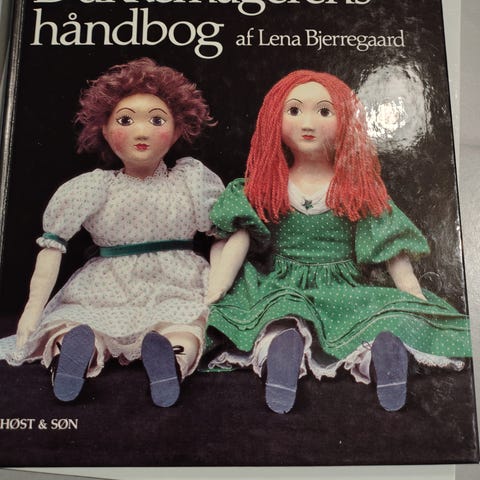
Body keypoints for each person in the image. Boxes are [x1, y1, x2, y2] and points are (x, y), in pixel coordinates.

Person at [205, 70, 472, 414]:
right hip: (283, 285)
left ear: (346, 120)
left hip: (345, 288)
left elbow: (390, 246)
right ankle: (281, 356)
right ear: (273, 119)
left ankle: (383, 359)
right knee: (280, 314)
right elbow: (240, 238)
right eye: (294, 110)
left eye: (324, 111)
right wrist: (217, 288)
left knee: (380, 318)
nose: (308, 123)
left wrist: (413, 295)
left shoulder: (355, 188)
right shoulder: (267, 186)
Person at [0, 58, 224, 406]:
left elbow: (221, 235)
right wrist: (33, 309)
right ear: (104, 129)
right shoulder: (94, 187)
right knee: (76, 323)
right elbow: (53, 245)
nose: (141, 131)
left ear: (178, 129)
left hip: (177, 283)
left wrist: (217, 290)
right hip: (105, 286)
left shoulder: (191, 181)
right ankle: (72, 355)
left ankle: (170, 363)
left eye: (157, 120)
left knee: (185, 324)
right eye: (125, 120)